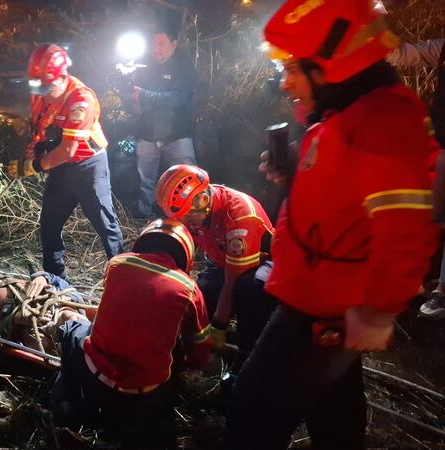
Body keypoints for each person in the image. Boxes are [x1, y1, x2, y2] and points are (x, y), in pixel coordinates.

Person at [229, 1, 440, 448]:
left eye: (293, 69)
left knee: (252, 409)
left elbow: (405, 229)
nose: (284, 82)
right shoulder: (348, 112)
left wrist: (377, 310)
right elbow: (342, 197)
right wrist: (291, 178)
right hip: (317, 294)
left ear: (330, 67)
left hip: (323, 305)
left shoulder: (382, 122)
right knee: (334, 413)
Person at [51, 218, 211, 448]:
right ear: (186, 254)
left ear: (144, 241)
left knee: (71, 326)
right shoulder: (189, 289)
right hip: (144, 398)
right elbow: (199, 352)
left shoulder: (118, 263)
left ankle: (65, 398)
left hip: (93, 378)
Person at [8, 44, 124, 278]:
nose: (44, 93)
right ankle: (54, 277)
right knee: (49, 220)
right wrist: (37, 147)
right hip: (61, 165)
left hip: (88, 165)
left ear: (63, 76)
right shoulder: (40, 92)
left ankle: (122, 272)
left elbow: (69, 149)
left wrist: (35, 166)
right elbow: (43, 127)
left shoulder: (81, 100)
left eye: (48, 87)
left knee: (104, 222)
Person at [156, 164, 276, 371]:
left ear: (203, 200)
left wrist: (219, 325)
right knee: (199, 299)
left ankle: (245, 360)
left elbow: (233, 281)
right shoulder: (198, 210)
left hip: (262, 264)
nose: (184, 223)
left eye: (186, 216)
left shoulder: (240, 216)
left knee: (249, 290)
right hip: (222, 262)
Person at [386, 38, 445, 318]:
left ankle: (441, 291)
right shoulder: (442, 48)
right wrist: (375, 34)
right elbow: (402, 54)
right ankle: (412, 283)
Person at [129, 27, 197, 218]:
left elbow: (177, 98)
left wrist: (143, 94)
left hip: (177, 135)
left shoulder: (183, 66)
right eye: (153, 45)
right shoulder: (145, 66)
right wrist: (131, 95)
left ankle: (193, 218)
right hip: (147, 134)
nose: (156, 49)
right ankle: (143, 221)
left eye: (161, 44)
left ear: (174, 44)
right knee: (145, 181)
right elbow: (135, 97)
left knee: (188, 179)